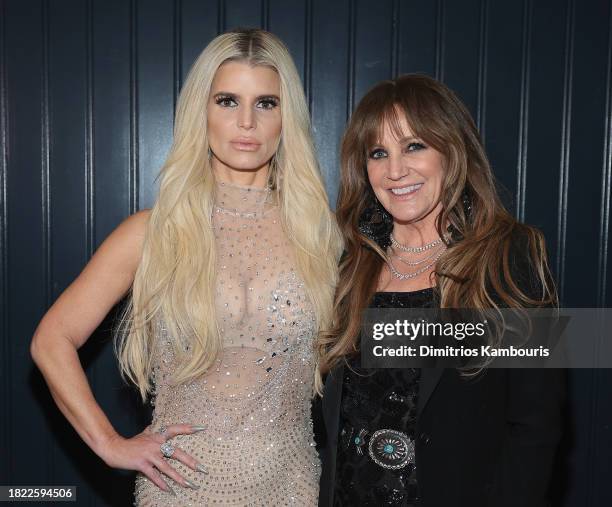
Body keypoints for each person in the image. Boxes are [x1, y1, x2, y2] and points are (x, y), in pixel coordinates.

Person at [30, 28, 342, 505]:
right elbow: (52, 339)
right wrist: (109, 444)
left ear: (287, 118)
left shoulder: (321, 237)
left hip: (291, 486)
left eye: (265, 104)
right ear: (202, 110)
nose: (246, 122)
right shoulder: (152, 233)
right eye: (226, 101)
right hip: (178, 490)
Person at [315, 74, 565, 507]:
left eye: (414, 146)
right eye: (379, 153)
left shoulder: (508, 257)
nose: (395, 171)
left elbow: (536, 426)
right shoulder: (347, 262)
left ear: (452, 150)